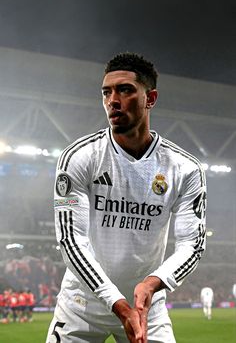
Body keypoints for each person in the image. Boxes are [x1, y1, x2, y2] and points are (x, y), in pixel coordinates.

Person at [46, 52, 207, 343]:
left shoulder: (185, 168)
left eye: (125, 90)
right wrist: (116, 302)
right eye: (107, 92)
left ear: (151, 98)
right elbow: (70, 240)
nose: (113, 100)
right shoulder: (78, 158)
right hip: (82, 305)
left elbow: (192, 245)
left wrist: (152, 284)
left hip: (147, 307)